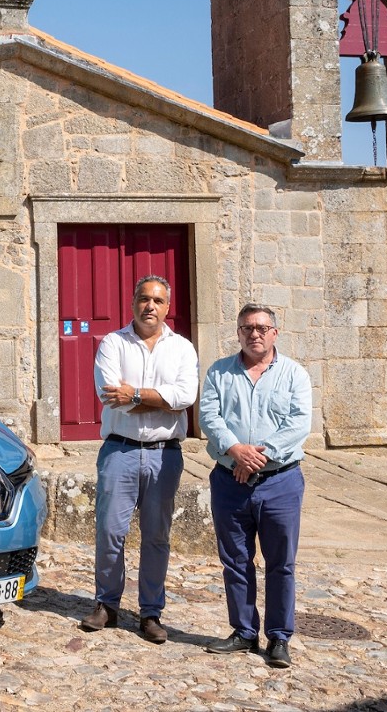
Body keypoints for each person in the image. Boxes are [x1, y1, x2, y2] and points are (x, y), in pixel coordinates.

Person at [79, 275, 199, 644]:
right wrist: (156, 398)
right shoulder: (113, 343)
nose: (150, 306)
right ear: (133, 302)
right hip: (120, 450)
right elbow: (110, 393)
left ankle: (150, 612)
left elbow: (185, 396)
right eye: (144, 299)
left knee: (157, 537)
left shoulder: (182, 349)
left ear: (167, 307)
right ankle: (107, 604)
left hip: (164, 455)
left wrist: (136, 394)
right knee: (110, 532)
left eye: (158, 301)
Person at [197, 303, 312, 668]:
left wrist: (257, 457)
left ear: (275, 333)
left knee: (282, 563)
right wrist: (235, 451)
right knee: (235, 561)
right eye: (247, 328)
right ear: (239, 333)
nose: (254, 334)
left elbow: (298, 423)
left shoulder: (294, 374)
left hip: (280, 481)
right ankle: (244, 632)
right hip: (231, 481)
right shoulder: (219, 372)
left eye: (262, 328)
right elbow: (209, 417)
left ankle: (279, 638)